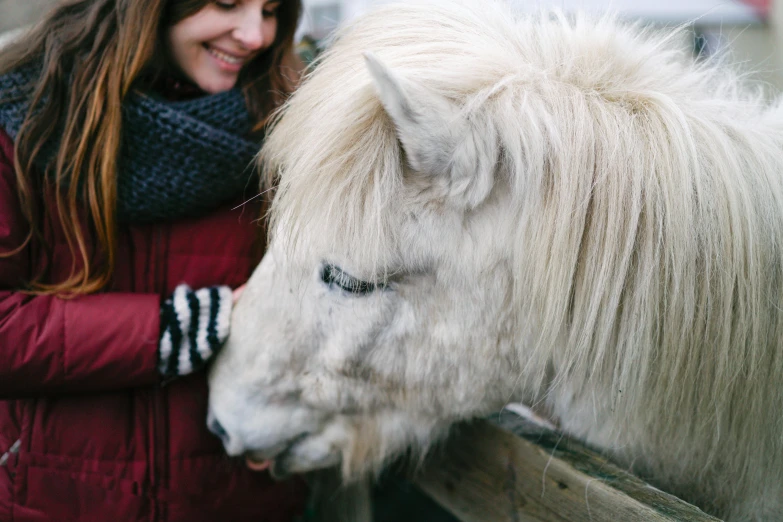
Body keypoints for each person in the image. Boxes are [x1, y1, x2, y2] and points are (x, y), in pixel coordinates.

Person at [0, 0, 309, 520]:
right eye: (229, 4)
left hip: (234, 500)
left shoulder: (293, 127)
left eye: (272, 10)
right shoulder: (24, 122)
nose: (256, 35)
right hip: (54, 499)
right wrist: (173, 330)